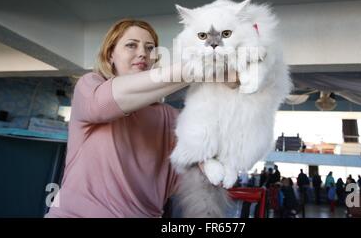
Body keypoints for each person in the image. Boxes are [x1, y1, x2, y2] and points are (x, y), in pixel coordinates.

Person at [45, 19, 237, 218]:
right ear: (110, 54)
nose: (142, 53)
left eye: (150, 48)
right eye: (131, 45)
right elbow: (103, 103)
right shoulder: (91, 86)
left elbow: (189, 180)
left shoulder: (172, 118)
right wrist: (202, 67)